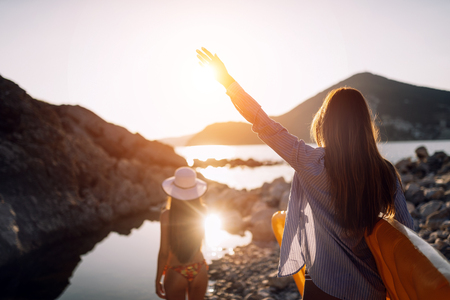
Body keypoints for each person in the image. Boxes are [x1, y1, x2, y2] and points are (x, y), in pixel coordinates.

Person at [196, 47, 414, 300]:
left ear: (326, 123)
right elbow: (406, 230)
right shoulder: (385, 171)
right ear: (365, 124)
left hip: (323, 285)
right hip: (370, 289)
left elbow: (265, 125)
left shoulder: (311, 163)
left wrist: (228, 82)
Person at [155, 167, 209, 300]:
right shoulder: (203, 211)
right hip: (199, 268)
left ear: (173, 190)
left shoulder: (166, 215)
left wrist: (157, 280)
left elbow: (164, 252)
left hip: (176, 271)